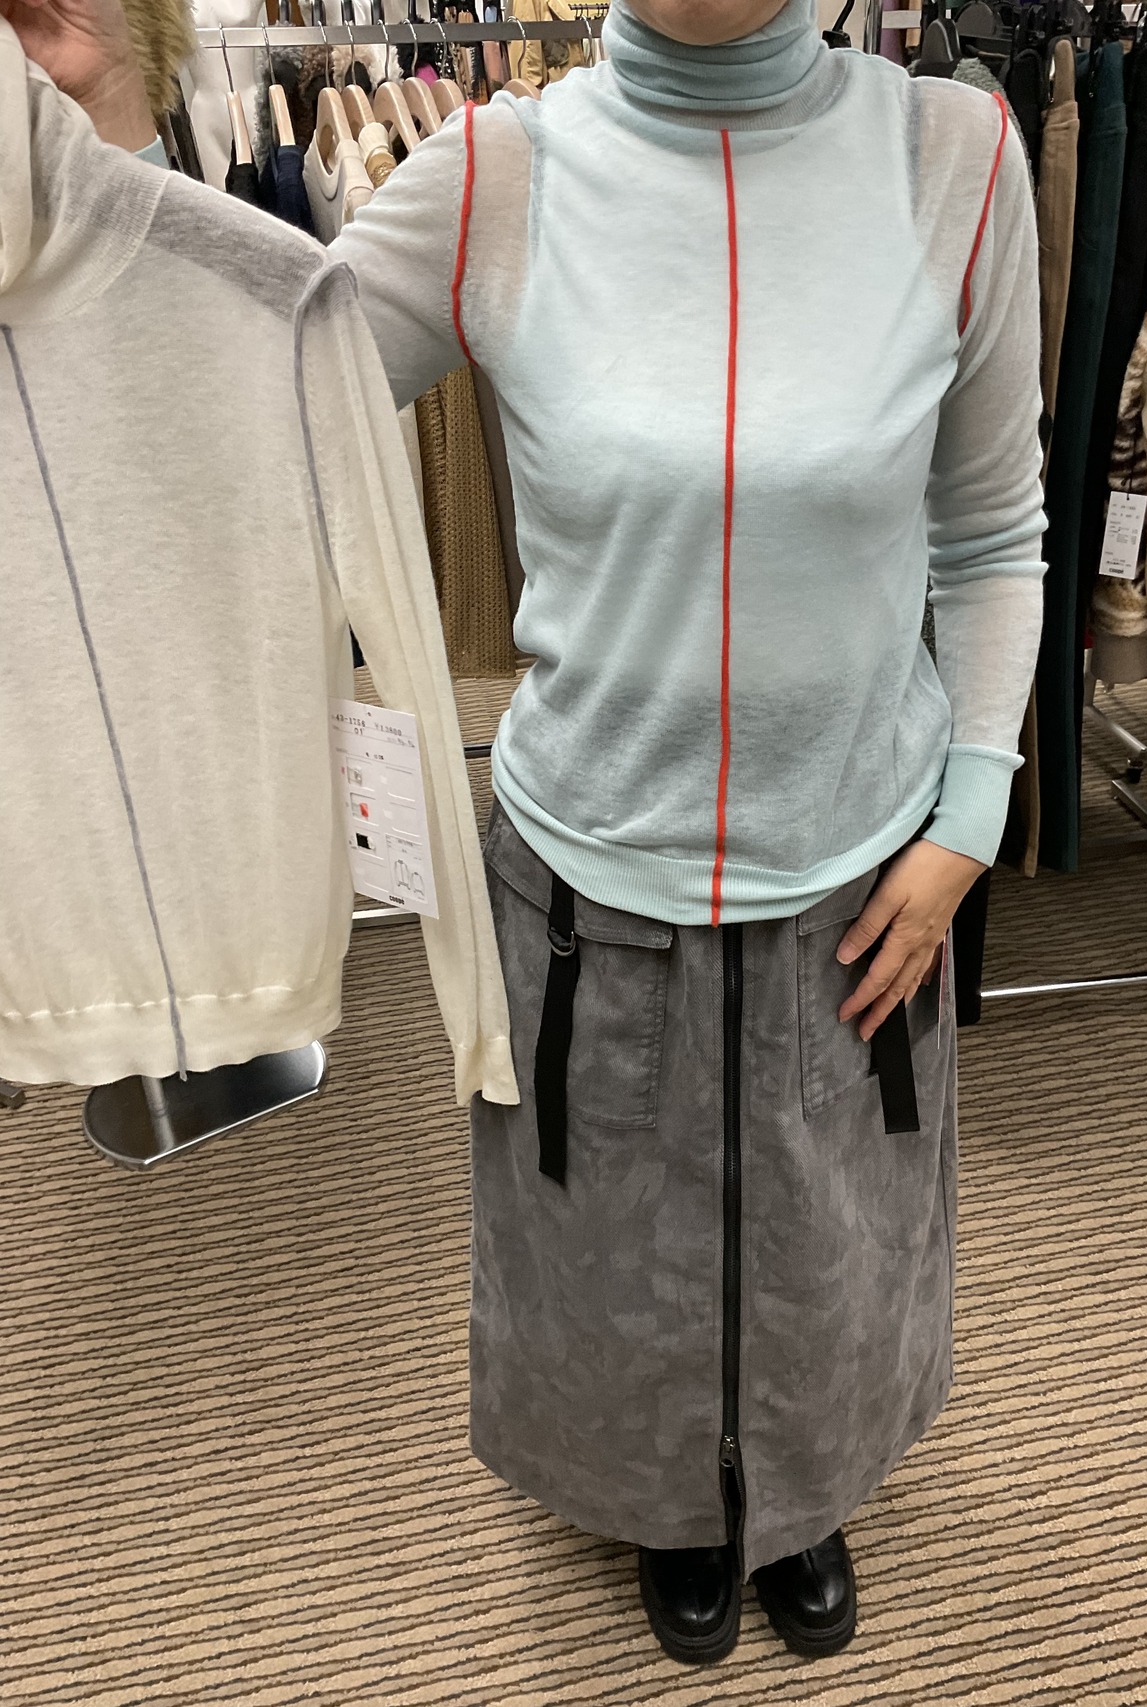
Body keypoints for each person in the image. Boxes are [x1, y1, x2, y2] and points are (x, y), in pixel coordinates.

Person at [4, 0, 1045, 1665]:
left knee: (830, 1218)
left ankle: (799, 1495)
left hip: (863, 859)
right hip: (588, 863)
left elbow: (992, 526)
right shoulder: (498, 171)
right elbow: (238, 393)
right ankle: (667, 1506)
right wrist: (92, 132)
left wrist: (971, 814)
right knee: (609, 1227)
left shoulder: (953, 156)